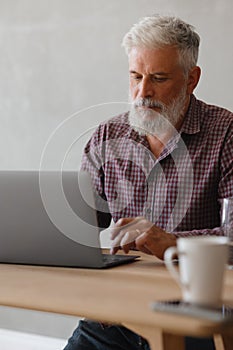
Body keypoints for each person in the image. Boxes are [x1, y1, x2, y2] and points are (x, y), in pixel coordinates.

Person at [63, 15, 233, 350]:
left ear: (191, 79)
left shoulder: (227, 134)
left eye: (158, 78)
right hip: (115, 316)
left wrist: (172, 242)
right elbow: (78, 228)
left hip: (198, 317)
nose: (143, 92)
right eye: (136, 76)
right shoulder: (107, 136)